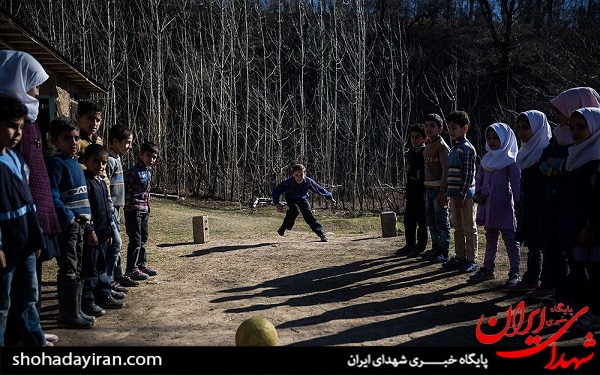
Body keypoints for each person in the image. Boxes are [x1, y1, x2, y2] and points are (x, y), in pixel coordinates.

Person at [0, 50, 61, 345]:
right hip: (9, 233)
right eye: (33, 83)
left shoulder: (28, 128)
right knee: (6, 299)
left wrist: (35, 233)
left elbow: (27, 183)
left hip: (28, 226)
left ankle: (32, 336)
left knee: (29, 290)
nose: (38, 90)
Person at [534, 87, 600, 303]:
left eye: (561, 111)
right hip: (559, 201)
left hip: (582, 212)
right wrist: (556, 167)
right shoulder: (560, 135)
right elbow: (543, 163)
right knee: (560, 249)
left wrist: (559, 167)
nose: (558, 118)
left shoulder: (589, 140)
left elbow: (566, 168)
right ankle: (563, 293)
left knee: (586, 261)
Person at [0, 93, 49, 346]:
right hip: (6, 245)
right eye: (11, 126)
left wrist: (36, 237)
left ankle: (35, 340)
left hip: (27, 240)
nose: (18, 132)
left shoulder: (16, 158)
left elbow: (28, 202)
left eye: (20, 127)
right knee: (2, 304)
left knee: (29, 296)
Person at [46, 116, 94, 329]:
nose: (73, 143)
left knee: (79, 267)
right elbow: (51, 194)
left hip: (82, 225)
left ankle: (76, 309)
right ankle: (67, 313)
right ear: (54, 140)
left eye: (76, 138)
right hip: (69, 226)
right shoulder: (55, 163)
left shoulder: (76, 164)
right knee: (68, 268)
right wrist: (67, 217)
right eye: (67, 138)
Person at [470, 122, 521, 287]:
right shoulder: (486, 160)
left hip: (505, 207)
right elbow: (479, 180)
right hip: (488, 207)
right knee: (491, 238)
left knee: (510, 240)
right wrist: (477, 194)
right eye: (489, 137)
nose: (492, 141)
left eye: (496, 138)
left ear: (505, 139)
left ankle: (515, 271)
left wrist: (519, 204)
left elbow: (516, 185)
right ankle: (488, 267)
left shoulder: (511, 162)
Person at [563, 107, 600, 330]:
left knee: (595, 270)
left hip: (592, 225)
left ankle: (595, 314)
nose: (575, 132)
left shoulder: (596, 159)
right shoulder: (576, 154)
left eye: (581, 127)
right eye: (572, 127)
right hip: (575, 221)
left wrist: (590, 225)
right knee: (579, 265)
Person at [509, 110, 551, 293]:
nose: (522, 132)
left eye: (526, 128)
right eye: (520, 128)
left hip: (544, 205)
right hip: (530, 206)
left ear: (537, 128)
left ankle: (548, 282)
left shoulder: (545, 151)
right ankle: (531, 278)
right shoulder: (525, 152)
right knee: (533, 244)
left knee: (546, 245)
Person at [80, 144, 124, 317]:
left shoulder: (100, 181)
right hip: (92, 236)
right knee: (90, 270)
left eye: (103, 163)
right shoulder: (87, 182)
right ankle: (88, 301)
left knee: (102, 267)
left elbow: (107, 209)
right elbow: (87, 210)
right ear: (86, 161)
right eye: (95, 162)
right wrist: (90, 230)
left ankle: (104, 295)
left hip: (104, 234)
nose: (100, 166)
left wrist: (108, 234)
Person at [441, 111, 478, 273]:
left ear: (465, 128)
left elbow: (468, 175)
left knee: (469, 228)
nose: (451, 131)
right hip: (454, 195)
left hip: (466, 196)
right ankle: (460, 257)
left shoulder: (467, 149)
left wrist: (462, 195)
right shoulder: (454, 149)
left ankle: (472, 259)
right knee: (458, 228)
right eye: (449, 128)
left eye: (454, 127)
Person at [106, 125, 138, 290]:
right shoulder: (109, 160)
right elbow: (106, 186)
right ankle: (108, 278)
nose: (129, 146)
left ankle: (118, 276)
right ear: (115, 141)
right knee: (114, 243)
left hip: (117, 209)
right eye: (127, 142)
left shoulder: (117, 158)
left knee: (117, 243)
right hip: (110, 209)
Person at [272, 163, 336, 242]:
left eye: (301, 175)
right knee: (293, 211)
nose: (299, 178)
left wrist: (330, 197)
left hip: (302, 199)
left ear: (305, 174)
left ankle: (321, 234)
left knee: (308, 215)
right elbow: (276, 191)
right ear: (293, 174)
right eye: (296, 175)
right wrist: (277, 203)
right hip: (291, 199)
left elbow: (319, 189)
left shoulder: (308, 182)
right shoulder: (288, 182)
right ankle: (283, 227)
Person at [124, 141, 160, 281]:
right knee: (135, 240)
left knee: (143, 239)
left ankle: (141, 264)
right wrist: (130, 206)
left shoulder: (148, 171)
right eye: (148, 156)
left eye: (154, 157)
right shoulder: (134, 171)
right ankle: (131, 269)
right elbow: (126, 189)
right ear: (140, 155)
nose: (151, 159)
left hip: (145, 210)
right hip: (133, 210)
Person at [419, 113, 451, 262]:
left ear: (440, 129)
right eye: (426, 126)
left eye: (432, 126)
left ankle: (443, 252)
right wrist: (426, 189)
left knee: (441, 222)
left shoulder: (442, 147)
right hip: (429, 189)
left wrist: (444, 191)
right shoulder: (427, 147)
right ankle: (435, 248)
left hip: (439, 190)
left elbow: (446, 170)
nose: (428, 129)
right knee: (431, 222)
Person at [397, 124, 428, 257]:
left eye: (418, 137)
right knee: (409, 219)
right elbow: (409, 176)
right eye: (412, 137)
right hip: (411, 191)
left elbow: (424, 173)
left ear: (424, 139)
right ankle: (409, 244)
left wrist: (412, 170)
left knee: (422, 220)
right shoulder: (411, 152)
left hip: (421, 191)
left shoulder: (425, 153)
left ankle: (420, 246)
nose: (414, 140)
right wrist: (406, 189)